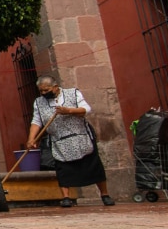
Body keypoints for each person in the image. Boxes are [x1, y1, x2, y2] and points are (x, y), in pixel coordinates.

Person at [26, 75, 115, 208]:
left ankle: (105, 195)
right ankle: (66, 197)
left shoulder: (73, 93)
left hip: (80, 137)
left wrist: (68, 111)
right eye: (41, 91)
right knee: (63, 169)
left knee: (94, 166)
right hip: (59, 141)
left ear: (55, 87)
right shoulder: (38, 102)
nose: (43, 93)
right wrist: (31, 139)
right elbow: (36, 121)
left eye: (46, 90)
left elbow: (86, 109)